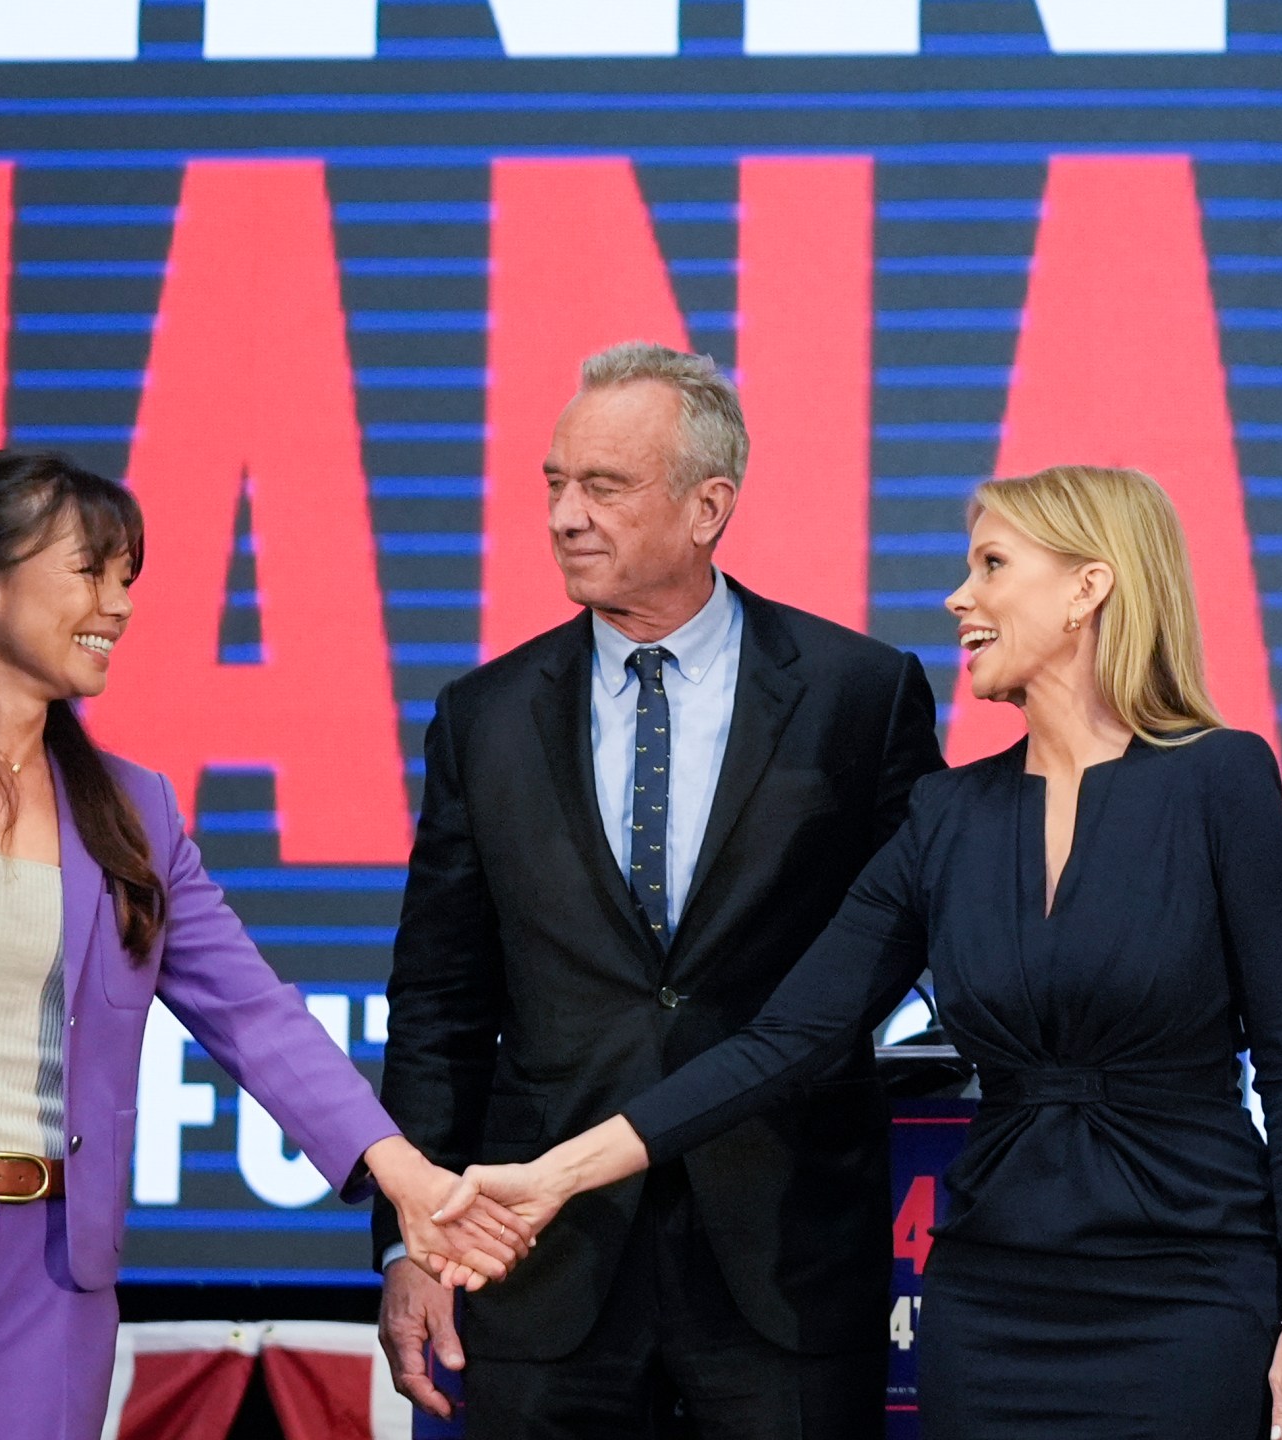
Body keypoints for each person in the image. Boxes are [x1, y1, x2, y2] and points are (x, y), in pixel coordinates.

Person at [0, 136, 532, 1440]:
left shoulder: (132, 810)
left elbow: (258, 1018)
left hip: (52, 1277)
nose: (118, 605)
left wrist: (403, 1173)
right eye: (86, 571)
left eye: (127, 576)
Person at [435, 464, 1282, 1439]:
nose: (961, 595)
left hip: (1190, 1300)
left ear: (1089, 588)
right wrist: (554, 1176)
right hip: (989, 1305)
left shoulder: (1222, 781)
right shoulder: (945, 814)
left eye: (993, 564)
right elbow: (781, 1042)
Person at [376, 342, 945, 1436]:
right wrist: (411, 1246)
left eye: (604, 486)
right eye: (554, 483)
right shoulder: (482, 717)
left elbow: (898, 951)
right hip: (534, 1266)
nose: (564, 516)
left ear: (706, 506)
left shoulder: (857, 696)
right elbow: (439, 1000)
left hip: (781, 1253)